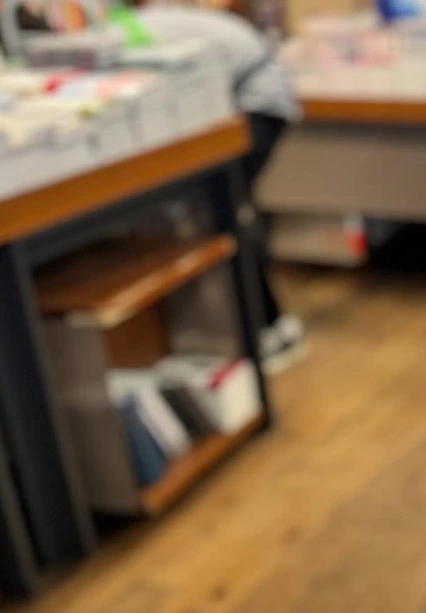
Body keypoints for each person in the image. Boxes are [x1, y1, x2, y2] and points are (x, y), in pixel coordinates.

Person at [114, 2, 309, 373]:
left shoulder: (133, 32)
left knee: (230, 211)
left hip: (258, 102)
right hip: (253, 97)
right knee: (232, 209)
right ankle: (258, 327)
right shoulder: (154, 20)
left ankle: (270, 328)